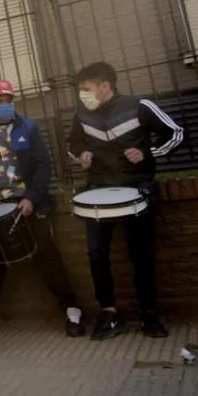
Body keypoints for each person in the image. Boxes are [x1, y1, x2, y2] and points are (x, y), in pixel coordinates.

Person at [0, 79, 83, 337]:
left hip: (25, 202)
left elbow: (43, 165)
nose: (5, 106)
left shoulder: (29, 127)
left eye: (8, 100)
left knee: (45, 253)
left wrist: (32, 197)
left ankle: (72, 309)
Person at [68, 61, 183, 340]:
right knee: (96, 254)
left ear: (105, 86)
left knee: (141, 254)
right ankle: (108, 313)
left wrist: (148, 152)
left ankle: (149, 315)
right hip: (98, 190)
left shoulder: (139, 105)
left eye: (86, 89)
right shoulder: (82, 114)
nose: (81, 94)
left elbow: (176, 133)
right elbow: (73, 144)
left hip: (137, 187)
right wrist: (81, 155)